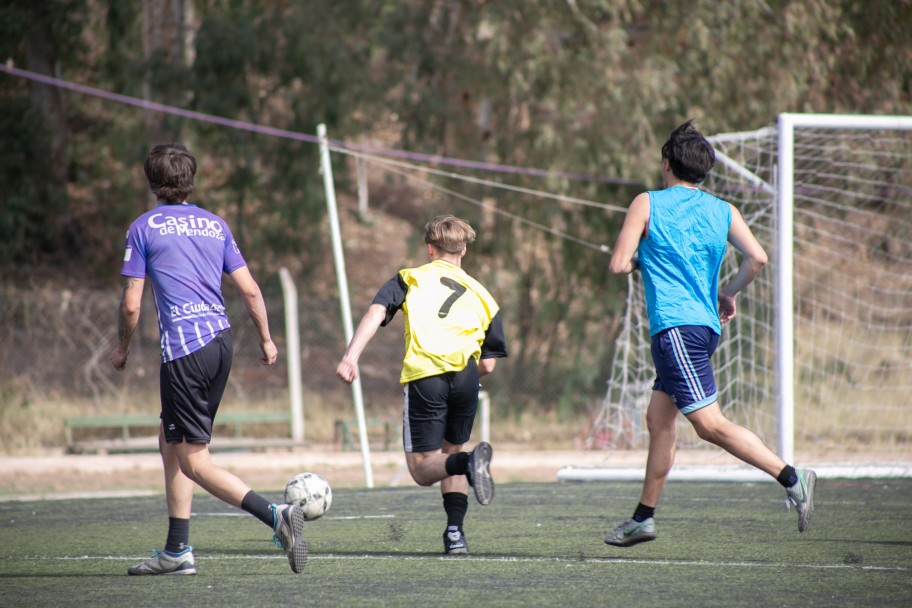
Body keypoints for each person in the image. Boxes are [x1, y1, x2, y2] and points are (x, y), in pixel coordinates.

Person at [603, 120, 817, 547]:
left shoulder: (647, 203)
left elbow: (618, 264)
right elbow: (756, 257)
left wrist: (642, 261)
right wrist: (727, 293)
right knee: (659, 420)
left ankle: (793, 477)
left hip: (676, 330)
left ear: (667, 164)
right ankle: (643, 518)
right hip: (703, 327)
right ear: (704, 171)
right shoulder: (724, 210)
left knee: (708, 424)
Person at [109, 143, 308, 575]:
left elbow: (130, 305)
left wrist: (122, 348)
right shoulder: (215, 225)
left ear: (151, 182)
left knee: (195, 460)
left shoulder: (143, 227)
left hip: (184, 349)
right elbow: (251, 289)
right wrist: (268, 340)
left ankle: (275, 515)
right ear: (190, 179)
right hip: (220, 343)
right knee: (170, 441)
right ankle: (177, 550)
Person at [336, 214, 508, 555]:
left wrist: (351, 356)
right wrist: (467, 376)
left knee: (421, 469)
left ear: (430, 248)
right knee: (451, 453)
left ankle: (470, 465)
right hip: (466, 378)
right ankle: (455, 535)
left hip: (426, 376)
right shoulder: (485, 296)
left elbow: (374, 314)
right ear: (463, 251)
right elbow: (488, 362)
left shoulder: (410, 278)